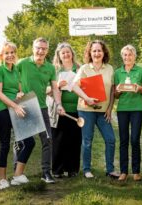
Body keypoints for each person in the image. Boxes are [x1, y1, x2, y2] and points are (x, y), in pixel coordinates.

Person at [17, 37, 65, 184]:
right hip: (24, 106)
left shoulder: (50, 68)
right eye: (38, 48)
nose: (40, 51)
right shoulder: (22, 63)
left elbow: (55, 88)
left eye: (44, 49)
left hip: (42, 107)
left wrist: (58, 104)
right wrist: (16, 93)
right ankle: (17, 173)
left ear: (47, 51)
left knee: (48, 140)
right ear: (33, 48)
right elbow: (13, 79)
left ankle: (46, 172)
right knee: (22, 141)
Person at [0, 42, 35, 189]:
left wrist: (20, 94)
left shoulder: (17, 70)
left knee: (29, 142)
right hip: (3, 110)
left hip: (16, 108)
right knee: (5, 144)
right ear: (2, 55)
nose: (10, 55)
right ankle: (2, 179)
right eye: (7, 53)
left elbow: (20, 90)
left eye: (12, 52)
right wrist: (14, 105)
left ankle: (17, 175)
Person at [73, 40, 119, 179]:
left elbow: (112, 90)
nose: (97, 53)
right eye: (94, 51)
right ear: (90, 53)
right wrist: (86, 98)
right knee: (87, 140)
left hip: (103, 111)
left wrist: (110, 108)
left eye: (99, 50)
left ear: (104, 52)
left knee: (110, 139)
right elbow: (74, 86)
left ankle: (110, 169)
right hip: (86, 109)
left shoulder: (110, 69)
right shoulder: (84, 68)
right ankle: (87, 169)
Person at [114, 45, 142, 181]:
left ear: (135, 56)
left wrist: (138, 88)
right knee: (123, 140)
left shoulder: (141, 71)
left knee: (134, 139)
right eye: (125, 55)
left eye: (130, 55)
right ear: (122, 56)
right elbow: (115, 95)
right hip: (122, 109)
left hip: (137, 109)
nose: (127, 57)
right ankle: (123, 171)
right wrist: (119, 90)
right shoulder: (118, 72)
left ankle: (136, 171)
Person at [51, 42, 83, 178]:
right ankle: (57, 170)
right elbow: (47, 90)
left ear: (72, 53)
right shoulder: (55, 70)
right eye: (62, 52)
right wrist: (57, 85)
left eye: (68, 52)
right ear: (59, 55)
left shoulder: (79, 69)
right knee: (59, 140)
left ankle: (72, 169)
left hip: (77, 109)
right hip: (60, 110)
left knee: (75, 140)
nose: (65, 54)